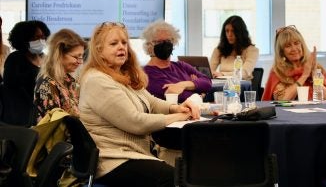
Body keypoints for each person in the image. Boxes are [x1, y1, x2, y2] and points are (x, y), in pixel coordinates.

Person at [78, 22, 200, 186]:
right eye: (114, 44)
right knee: (173, 178)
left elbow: (151, 101)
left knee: (187, 172)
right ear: (99, 51)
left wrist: (176, 107)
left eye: (124, 43)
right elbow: (136, 122)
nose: (121, 47)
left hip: (132, 154)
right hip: (112, 160)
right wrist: (180, 116)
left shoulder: (121, 74)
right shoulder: (97, 80)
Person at [142, 20, 212, 103]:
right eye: (159, 42)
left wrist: (183, 85)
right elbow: (180, 97)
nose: (165, 44)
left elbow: (207, 82)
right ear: (149, 45)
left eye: (168, 41)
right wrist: (198, 88)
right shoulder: (148, 74)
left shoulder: (181, 65)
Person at [261, 25, 326, 101]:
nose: (294, 48)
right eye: (288, 46)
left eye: (296, 43)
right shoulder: (278, 71)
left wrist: (314, 75)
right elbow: (283, 100)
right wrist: (305, 75)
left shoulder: (316, 67)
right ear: (281, 52)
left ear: (302, 45)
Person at [2, 20, 50, 126]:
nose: (41, 41)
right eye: (36, 38)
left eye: (43, 37)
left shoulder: (46, 58)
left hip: (43, 114)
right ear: (24, 39)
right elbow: (11, 90)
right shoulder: (15, 59)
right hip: (20, 117)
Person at [33, 28, 86, 123]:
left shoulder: (68, 80)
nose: (80, 62)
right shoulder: (47, 84)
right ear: (59, 54)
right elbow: (56, 126)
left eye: (81, 56)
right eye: (76, 57)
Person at [210, 15, 259, 80]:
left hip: (242, 86)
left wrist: (223, 74)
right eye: (227, 31)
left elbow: (244, 73)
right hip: (221, 85)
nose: (229, 35)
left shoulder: (252, 50)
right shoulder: (219, 50)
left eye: (233, 31)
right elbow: (209, 71)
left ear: (240, 33)